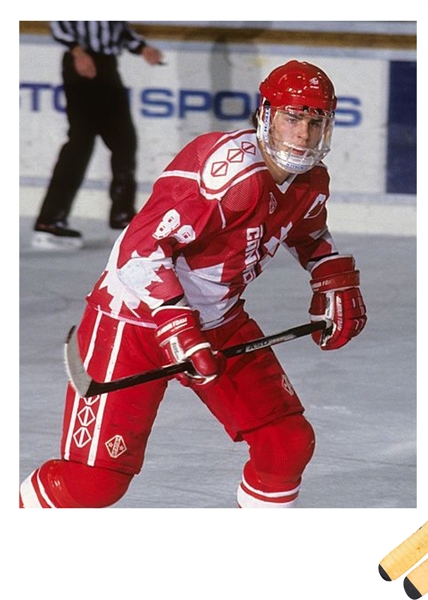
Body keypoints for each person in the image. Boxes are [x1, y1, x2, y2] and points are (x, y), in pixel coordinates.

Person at [19, 60, 367, 508]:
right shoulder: (229, 177)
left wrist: (331, 274)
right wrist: (178, 325)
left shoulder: (310, 181)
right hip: (135, 320)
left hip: (216, 320)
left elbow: (306, 231)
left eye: (315, 121)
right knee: (94, 482)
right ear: (265, 115)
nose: (302, 134)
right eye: (292, 117)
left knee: (285, 445)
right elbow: (139, 251)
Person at [32, 21, 163, 250]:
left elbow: (116, 26)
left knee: (124, 142)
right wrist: (77, 51)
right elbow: (59, 21)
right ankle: (50, 220)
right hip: (82, 63)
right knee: (80, 144)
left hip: (107, 66)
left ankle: (123, 216)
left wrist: (142, 47)